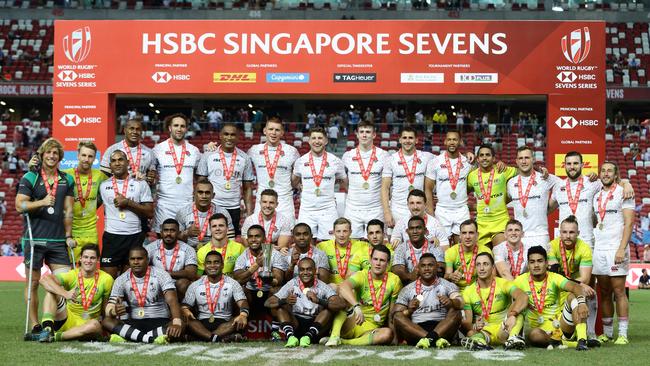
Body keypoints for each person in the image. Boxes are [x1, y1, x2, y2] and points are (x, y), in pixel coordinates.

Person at [16, 137, 75, 333]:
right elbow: (19, 205)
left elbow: (68, 211)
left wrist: (68, 235)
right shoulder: (30, 178)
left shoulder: (67, 179)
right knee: (32, 284)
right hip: (35, 240)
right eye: (48, 152)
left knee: (65, 280)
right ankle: (34, 324)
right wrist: (42, 202)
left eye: (55, 153)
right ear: (41, 155)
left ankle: (57, 319)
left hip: (58, 240)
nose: (51, 155)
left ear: (60, 158)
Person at [549, 151, 633, 249]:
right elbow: (548, 209)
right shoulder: (559, 187)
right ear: (564, 166)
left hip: (587, 241)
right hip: (564, 242)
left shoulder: (593, 183)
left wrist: (627, 184)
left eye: (575, 163)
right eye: (569, 164)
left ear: (582, 165)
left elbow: (615, 182)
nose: (572, 166)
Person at [513, 246, 590, 350]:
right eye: (532, 262)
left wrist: (582, 303)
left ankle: (582, 340)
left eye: (540, 261)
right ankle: (565, 343)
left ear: (546, 263)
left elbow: (576, 287)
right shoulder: (520, 281)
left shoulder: (554, 277)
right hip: (541, 332)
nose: (536, 265)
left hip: (562, 326)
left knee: (574, 296)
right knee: (534, 335)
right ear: (528, 264)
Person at [323, 245, 402, 346]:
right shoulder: (362, 275)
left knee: (387, 334)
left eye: (382, 260)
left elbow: (392, 312)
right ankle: (334, 336)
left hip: (371, 329)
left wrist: (394, 336)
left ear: (388, 264)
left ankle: (343, 342)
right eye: (375, 259)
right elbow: (343, 287)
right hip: (352, 321)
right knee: (342, 296)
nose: (378, 263)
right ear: (370, 260)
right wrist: (356, 306)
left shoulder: (394, 281)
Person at [102, 246, 183, 344]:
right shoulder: (121, 279)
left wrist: (177, 322)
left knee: (182, 324)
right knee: (107, 321)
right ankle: (151, 339)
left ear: (147, 260)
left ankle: (130, 337)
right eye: (132, 259)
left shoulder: (161, 274)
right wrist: (114, 310)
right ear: (129, 261)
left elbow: (172, 300)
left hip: (160, 321)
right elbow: (110, 306)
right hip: (134, 322)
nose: (136, 262)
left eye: (139, 258)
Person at [592, 161, 635, 345]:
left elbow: (629, 223)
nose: (606, 173)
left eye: (610, 170)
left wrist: (621, 248)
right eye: (603, 170)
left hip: (616, 248)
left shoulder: (624, 192)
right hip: (599, 249)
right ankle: (608, 333)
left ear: (616, 174)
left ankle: (623, 334)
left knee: (619, 291)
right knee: (604, 292)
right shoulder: (596, 196)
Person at [35, 245, 114, 342]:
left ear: (98, 260)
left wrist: (107, 326)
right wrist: (65, 293)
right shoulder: (73, 274)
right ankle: (47, 327)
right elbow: (44, 279)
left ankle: (54, 336)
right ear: (80, 258)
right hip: (66, 318)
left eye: (92, 258)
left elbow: (104, 306)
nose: (88, 261)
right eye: (85, 257)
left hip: (88, 324)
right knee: (51, 291)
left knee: (94, 325)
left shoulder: (106, 279)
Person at [266, 257, 346, 347]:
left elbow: (341, 305)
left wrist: (319, 301)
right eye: (302, 270)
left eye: (309, 269)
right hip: (296, 324)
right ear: (298, 271)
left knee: (329, 310)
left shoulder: (322, 286)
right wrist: (284, 300)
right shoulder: (292, 283)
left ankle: (308, 337)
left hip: (316, 325)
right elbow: (268, 303)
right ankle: (291, 337)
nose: (305, 273)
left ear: (315, 271)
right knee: (280, 308)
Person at [99, 150, 154, 279]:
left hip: (134, 237)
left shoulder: (140, 184)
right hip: (112, 238)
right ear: (110, 165)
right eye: (114, 161)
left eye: (121, 159)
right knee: (107, 282)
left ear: (127, 162)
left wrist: (128, 203)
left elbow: (150, 212)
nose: (117, 163)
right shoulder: (103, 186)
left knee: (129, 282)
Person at [393, 253, 463, 349]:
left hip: (442, 329)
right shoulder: (408, 289)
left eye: (430, 265)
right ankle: (432, 339)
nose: (426, 268)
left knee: (456, 310)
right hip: (417, 331)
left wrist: (451, 302)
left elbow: (461, 303)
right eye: (423, 266)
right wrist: (409, 311)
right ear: (418, 268)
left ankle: (430, 338)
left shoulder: (446, 285)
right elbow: (396, 316)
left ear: (437, 267)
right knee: (398, 315)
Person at [461, 252, 528, 351]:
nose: (482, 268)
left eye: (485, 264)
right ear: (475, 268)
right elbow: (467, 322)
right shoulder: (468, 291)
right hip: (486, 331)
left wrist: (512, 314)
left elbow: (523, 297)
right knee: (471, 333)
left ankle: (512, 339)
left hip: (505, 329)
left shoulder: (503, 283)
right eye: (478, 265)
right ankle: (480, 344)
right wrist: (474, 325)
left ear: (493, 268)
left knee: (520, 312)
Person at [547, 215, 598, 345]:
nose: (568, 236)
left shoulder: (584, 248)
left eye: (571, 232)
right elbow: (554, 274)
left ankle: (588, 333)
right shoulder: (552, 246)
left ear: (578, 233)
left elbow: (585, 278)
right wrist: (579, 283)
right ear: (560, 233)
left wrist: (580, 284)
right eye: (564, 232)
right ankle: (578, 336)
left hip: (573, 290)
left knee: (586, 294)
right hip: (556, 292)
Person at [197, 123, 254, 237]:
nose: (229, 137)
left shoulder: (244, 158)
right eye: (226, 134)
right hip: (213, 206)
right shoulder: (208, 155)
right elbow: (200, 184)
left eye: (233, 135)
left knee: (230, 240)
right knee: (210, 239)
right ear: (220, 136)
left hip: (234, 208)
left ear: (237, 137)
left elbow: (247, 188)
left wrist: (249, 213)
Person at [292, 127, 348, 241]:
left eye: (320, 138)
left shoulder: (335, 161)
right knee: (305, 243)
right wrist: (299, 186)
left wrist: (332, 182)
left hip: (328, 209)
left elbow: (344, 181)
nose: (317, 141)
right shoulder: (301, 161)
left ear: (326, 140)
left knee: (329, 244)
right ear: (309, 140)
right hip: (307, 210)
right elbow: (294, 181)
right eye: (313, 138)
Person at [182, 251, 250, 343]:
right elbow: (185, 305)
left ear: (222, 265)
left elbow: (242, 302)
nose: (212, 265)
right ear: (205, 266)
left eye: (216, 262)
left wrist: (243, 315)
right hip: (202, 323)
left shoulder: (232, 283)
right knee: (188, 321)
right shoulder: (195, 285)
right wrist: (185, 310)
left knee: (236, 320)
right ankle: (216, 338)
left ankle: (203, 338)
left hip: (225, 323)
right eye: (209, 263)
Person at [150, 113, 201, 233]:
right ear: (169, 128)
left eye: (182, 126)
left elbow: (199, 179)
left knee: (188, 241)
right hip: (164, 205)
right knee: (163, 241)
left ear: (186, 129)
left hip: (187, 205)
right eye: (176, 125)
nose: (179, 129)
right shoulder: (158, 150)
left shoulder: (194, 151)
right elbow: (150, 176)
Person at [62, 141, 108, 262]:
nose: (86, 159)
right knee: (72, 271)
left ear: (94, 159)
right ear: (78, 155)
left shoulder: (100, 176)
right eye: (83, 155)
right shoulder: (66, 175)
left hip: (90, 230)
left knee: (90, 268)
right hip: (70, 230)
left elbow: (113, 188)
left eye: (90, 156)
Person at [424, 130, 473, 244]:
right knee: (441, 248)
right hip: (442, 210)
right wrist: (430, 214)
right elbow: (428, 189)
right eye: (449, 139)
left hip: (462, 210)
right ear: (445, 142)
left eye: (455, 139)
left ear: (460, 142)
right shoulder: (435, 162)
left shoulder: (467, 163)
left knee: (462, 248)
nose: (452, 142)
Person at [342, 121, 389, 238]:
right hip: (353, 209)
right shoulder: (347, 156)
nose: (364, 135)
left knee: (377, 244)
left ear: (374, 135)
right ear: (356, 134)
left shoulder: (384, 155)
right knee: (352, 245)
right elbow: (343, 180)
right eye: (361, 132)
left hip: (376, 208)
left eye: (368, 132)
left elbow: (388, 183)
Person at [381, 127, 434, 228]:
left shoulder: (427, 157)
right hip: (397, 210)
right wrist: (387, 212)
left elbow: (447, 159)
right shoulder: (391, 160)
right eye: (404, 138)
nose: (407, 141)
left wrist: (467, 154)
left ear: (416, 140)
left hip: (419, 209)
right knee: (396, 242)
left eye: (411, 138)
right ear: (400, 140)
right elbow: (384, 188)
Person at [248, 117, 300, 219]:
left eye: (277, 130)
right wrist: (214, 149)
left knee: (286, 234)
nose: (273, 133)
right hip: (262, 202)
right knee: (261, 234)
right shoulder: (254, 150)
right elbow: (235, 156)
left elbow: (299, 173)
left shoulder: (292, 151)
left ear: (282, 132)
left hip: (284, 203)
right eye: (271, 129)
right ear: (265, 131)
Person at [507, 146, 559, 247]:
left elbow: (564, 186)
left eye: (527, 158)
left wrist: (550, 207)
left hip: (540, 235)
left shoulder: (544, 178)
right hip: (519, 236)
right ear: (516, 161)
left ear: (533, 159)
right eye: (521, 158)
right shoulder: (511, 183)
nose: (524, 161)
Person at [467, 144, 518, 247]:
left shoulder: (502, 170)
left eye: (488, 155)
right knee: (483, 260)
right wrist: (471, 206)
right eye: (481, 155)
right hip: (481, 224)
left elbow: (522, 171)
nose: (484, 158)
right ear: (477, 159)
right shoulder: (472, 176)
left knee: (500, 257)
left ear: (494, 158)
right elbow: (461, 193)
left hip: (500, 222)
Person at [145, 219, 198, 299]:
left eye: (172, 230)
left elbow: (191, 273)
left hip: (176, 283)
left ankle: (182, 307)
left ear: (178, 233)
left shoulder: (188, 249)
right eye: (166, 230)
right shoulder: (150, 248)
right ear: (161, 232)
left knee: (183, 283)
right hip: (156, 281)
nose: (169, 233)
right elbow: (141, 267)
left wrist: (167, 274)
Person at [176, 178, 235, 248]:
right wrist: (186, 233)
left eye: (207, 193)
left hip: (215, 251)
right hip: (190, 249)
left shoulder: (222, 213)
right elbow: (176, 239)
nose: (204, 196)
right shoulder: (183, 212)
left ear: (213, 195)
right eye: (200, 192)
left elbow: (231, 238)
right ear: (194, 194)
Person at [392, 216, 445, 284]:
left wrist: (422, 275)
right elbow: (397, 269)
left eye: (418, 228)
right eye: (411, 228)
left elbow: (441, 269)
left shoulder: (434, 246)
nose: (415, 231)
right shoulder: (401, 248)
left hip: (431, 284)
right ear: (407, 231)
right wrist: (410, 276)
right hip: (408, 285)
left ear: (425, 231)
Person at [317, 218, 369, 286]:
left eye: (345, 231)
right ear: (333, 232)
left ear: (350, 232)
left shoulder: (362, 245)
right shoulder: (322, 246)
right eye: (338, 231)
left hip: (352, 286)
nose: (341, 235)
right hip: (331, 287)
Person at [444, 220, 492, 292]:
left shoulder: (486, 251)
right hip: (457, 290)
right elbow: (447, 274)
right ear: (460, 235)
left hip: (479, 290)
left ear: (477, 235)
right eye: (464, 233)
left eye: (471, 233)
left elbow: (492, 276)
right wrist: (451, 276)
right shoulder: (451, 252)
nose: (467, 237)